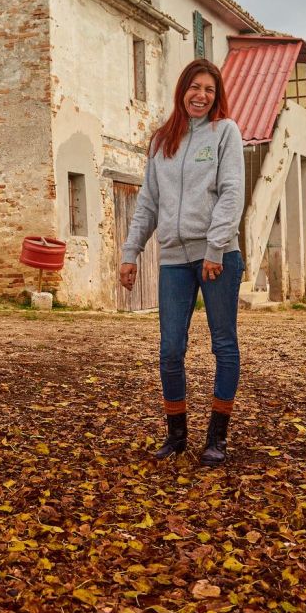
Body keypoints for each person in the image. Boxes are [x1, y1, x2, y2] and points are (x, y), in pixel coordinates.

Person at [120, 59, 245, 467]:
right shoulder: (162, 141)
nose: (201, 95)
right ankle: (176, 436)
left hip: (218, 257)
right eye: (195, 87)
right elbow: (148, 203)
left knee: (223, 344)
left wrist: (216, 247)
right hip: (174, 258)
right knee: (170, 349)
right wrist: (130, 252)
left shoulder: (225, 132)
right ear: (182, 90)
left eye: (209, 89)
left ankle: (217, 438)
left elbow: (231, 193)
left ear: (216, 95)